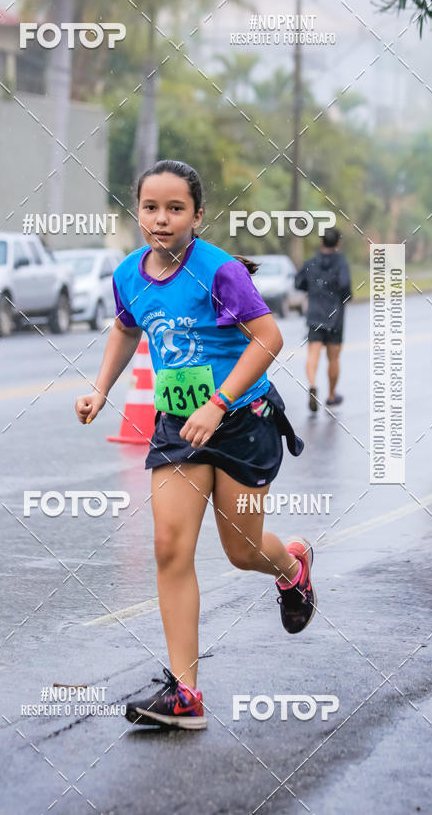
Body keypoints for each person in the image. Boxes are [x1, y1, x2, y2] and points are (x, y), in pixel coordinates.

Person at [75, 160, 314, 731]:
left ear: (197, 215)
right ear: (138, 212)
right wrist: (100, 388)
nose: (161, 219)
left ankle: (292, 566)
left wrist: (218, 404)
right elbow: (126, 327)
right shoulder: (129, 272)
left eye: (175, 208)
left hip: (243, 423)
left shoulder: (221, 271)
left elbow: (269, 337)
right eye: (151, 208)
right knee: (169, 548)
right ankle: (185, 694)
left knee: (242, 551)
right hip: (177, 427)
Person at [295, 228, 351, 412]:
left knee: (313, 354)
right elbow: (345, 286)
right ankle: (332, 395)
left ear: (321, 242)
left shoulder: (311, 262)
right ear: (338, 243)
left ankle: (312, 384)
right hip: (335, 316)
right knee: (333, 358)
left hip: (315, 315)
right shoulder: (341, 263)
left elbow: (298, 282)